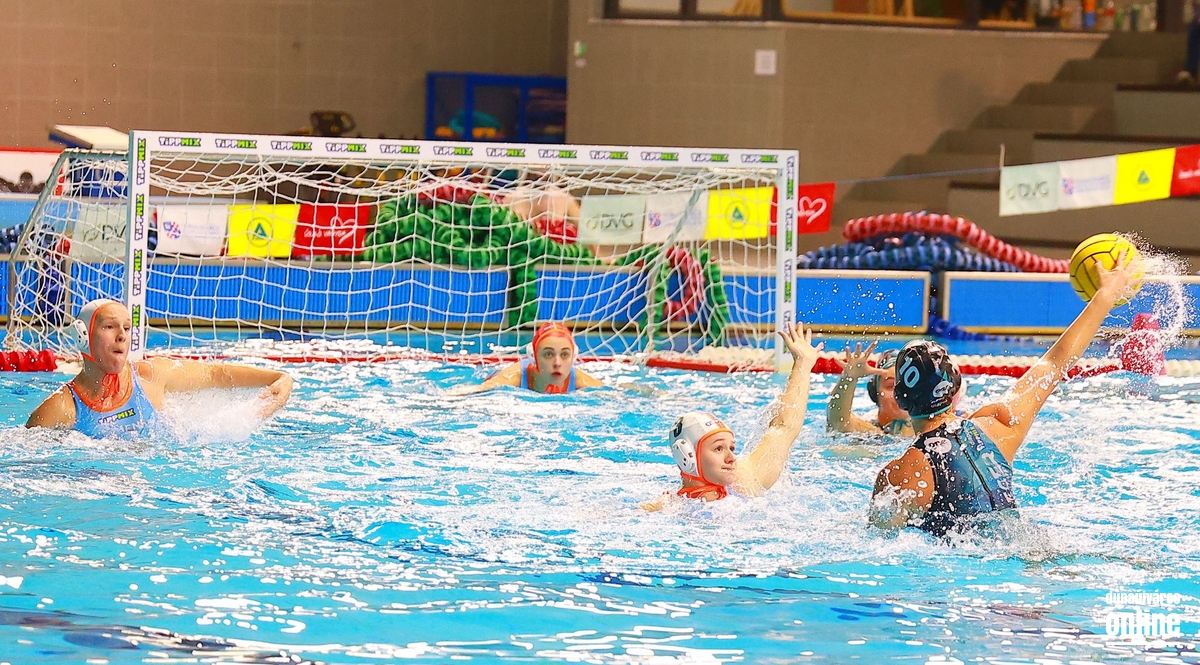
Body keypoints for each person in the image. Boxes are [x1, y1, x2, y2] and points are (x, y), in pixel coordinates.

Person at [869, 256, 1137, 536]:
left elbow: (878, 543)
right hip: (1027, 545)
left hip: (968, 559)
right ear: (955, 388)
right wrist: (1105, 295)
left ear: (901, 399)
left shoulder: (900, 475)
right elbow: (1054, 364)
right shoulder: (996, 426)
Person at [26, 299, 294, 438]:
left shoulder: (150, 377)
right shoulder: (61, 408)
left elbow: (215, 374)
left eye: (127, 328)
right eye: (109, 327)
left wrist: (279, 377)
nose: (122, 336)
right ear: (83, 336)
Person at [645, 321, 822, 508]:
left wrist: (803, 365)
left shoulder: (745, 482)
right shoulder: (667, 508)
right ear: (687, 455)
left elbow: (783, 427)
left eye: (731, 448)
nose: (731, 458)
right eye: (718, 449)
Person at [457, 322, 603, 395]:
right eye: (548, 354)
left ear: (573, 356)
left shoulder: (580, 381)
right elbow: (470, 392)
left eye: (564, 354)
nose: (557, 363)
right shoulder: (513, 378)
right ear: (534, 357)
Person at [827, 342, 913, 438]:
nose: (900, 393)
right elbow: (838, 423)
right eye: (890, 386)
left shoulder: (922, 428)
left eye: (907, 385)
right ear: (875, 393)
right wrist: (849, 378)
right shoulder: (867, 432)